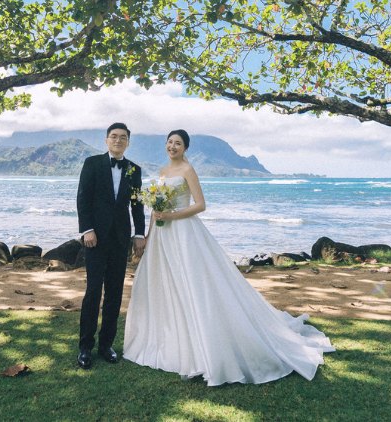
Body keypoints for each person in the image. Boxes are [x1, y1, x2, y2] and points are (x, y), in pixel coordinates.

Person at [123, 129, 333, 385]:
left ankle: (201, 348)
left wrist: (172, 216)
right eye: (169, 142)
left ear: (185, 148)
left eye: (177, 143)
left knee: (192, 283)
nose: (172, 146)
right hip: (161, 236)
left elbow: (200, 205)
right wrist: (147, 235)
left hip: (184, 233)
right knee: (166, 284)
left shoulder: (188, 171)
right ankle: (170, 339)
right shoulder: (163, 172)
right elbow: (157, 211)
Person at [76, 122, 146, 369]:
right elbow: (83, 198)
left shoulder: (134, 170)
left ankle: (106, 345)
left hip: (120, 239)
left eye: (123, 137)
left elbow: (137, 205)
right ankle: (85, 347)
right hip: (95, 238)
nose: (118, 140)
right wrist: (87, 230)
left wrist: (139, 234)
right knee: (93, 292)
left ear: (128, 142)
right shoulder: (92, 164)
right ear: (106, 140)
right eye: (114, 136)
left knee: (115, 293)